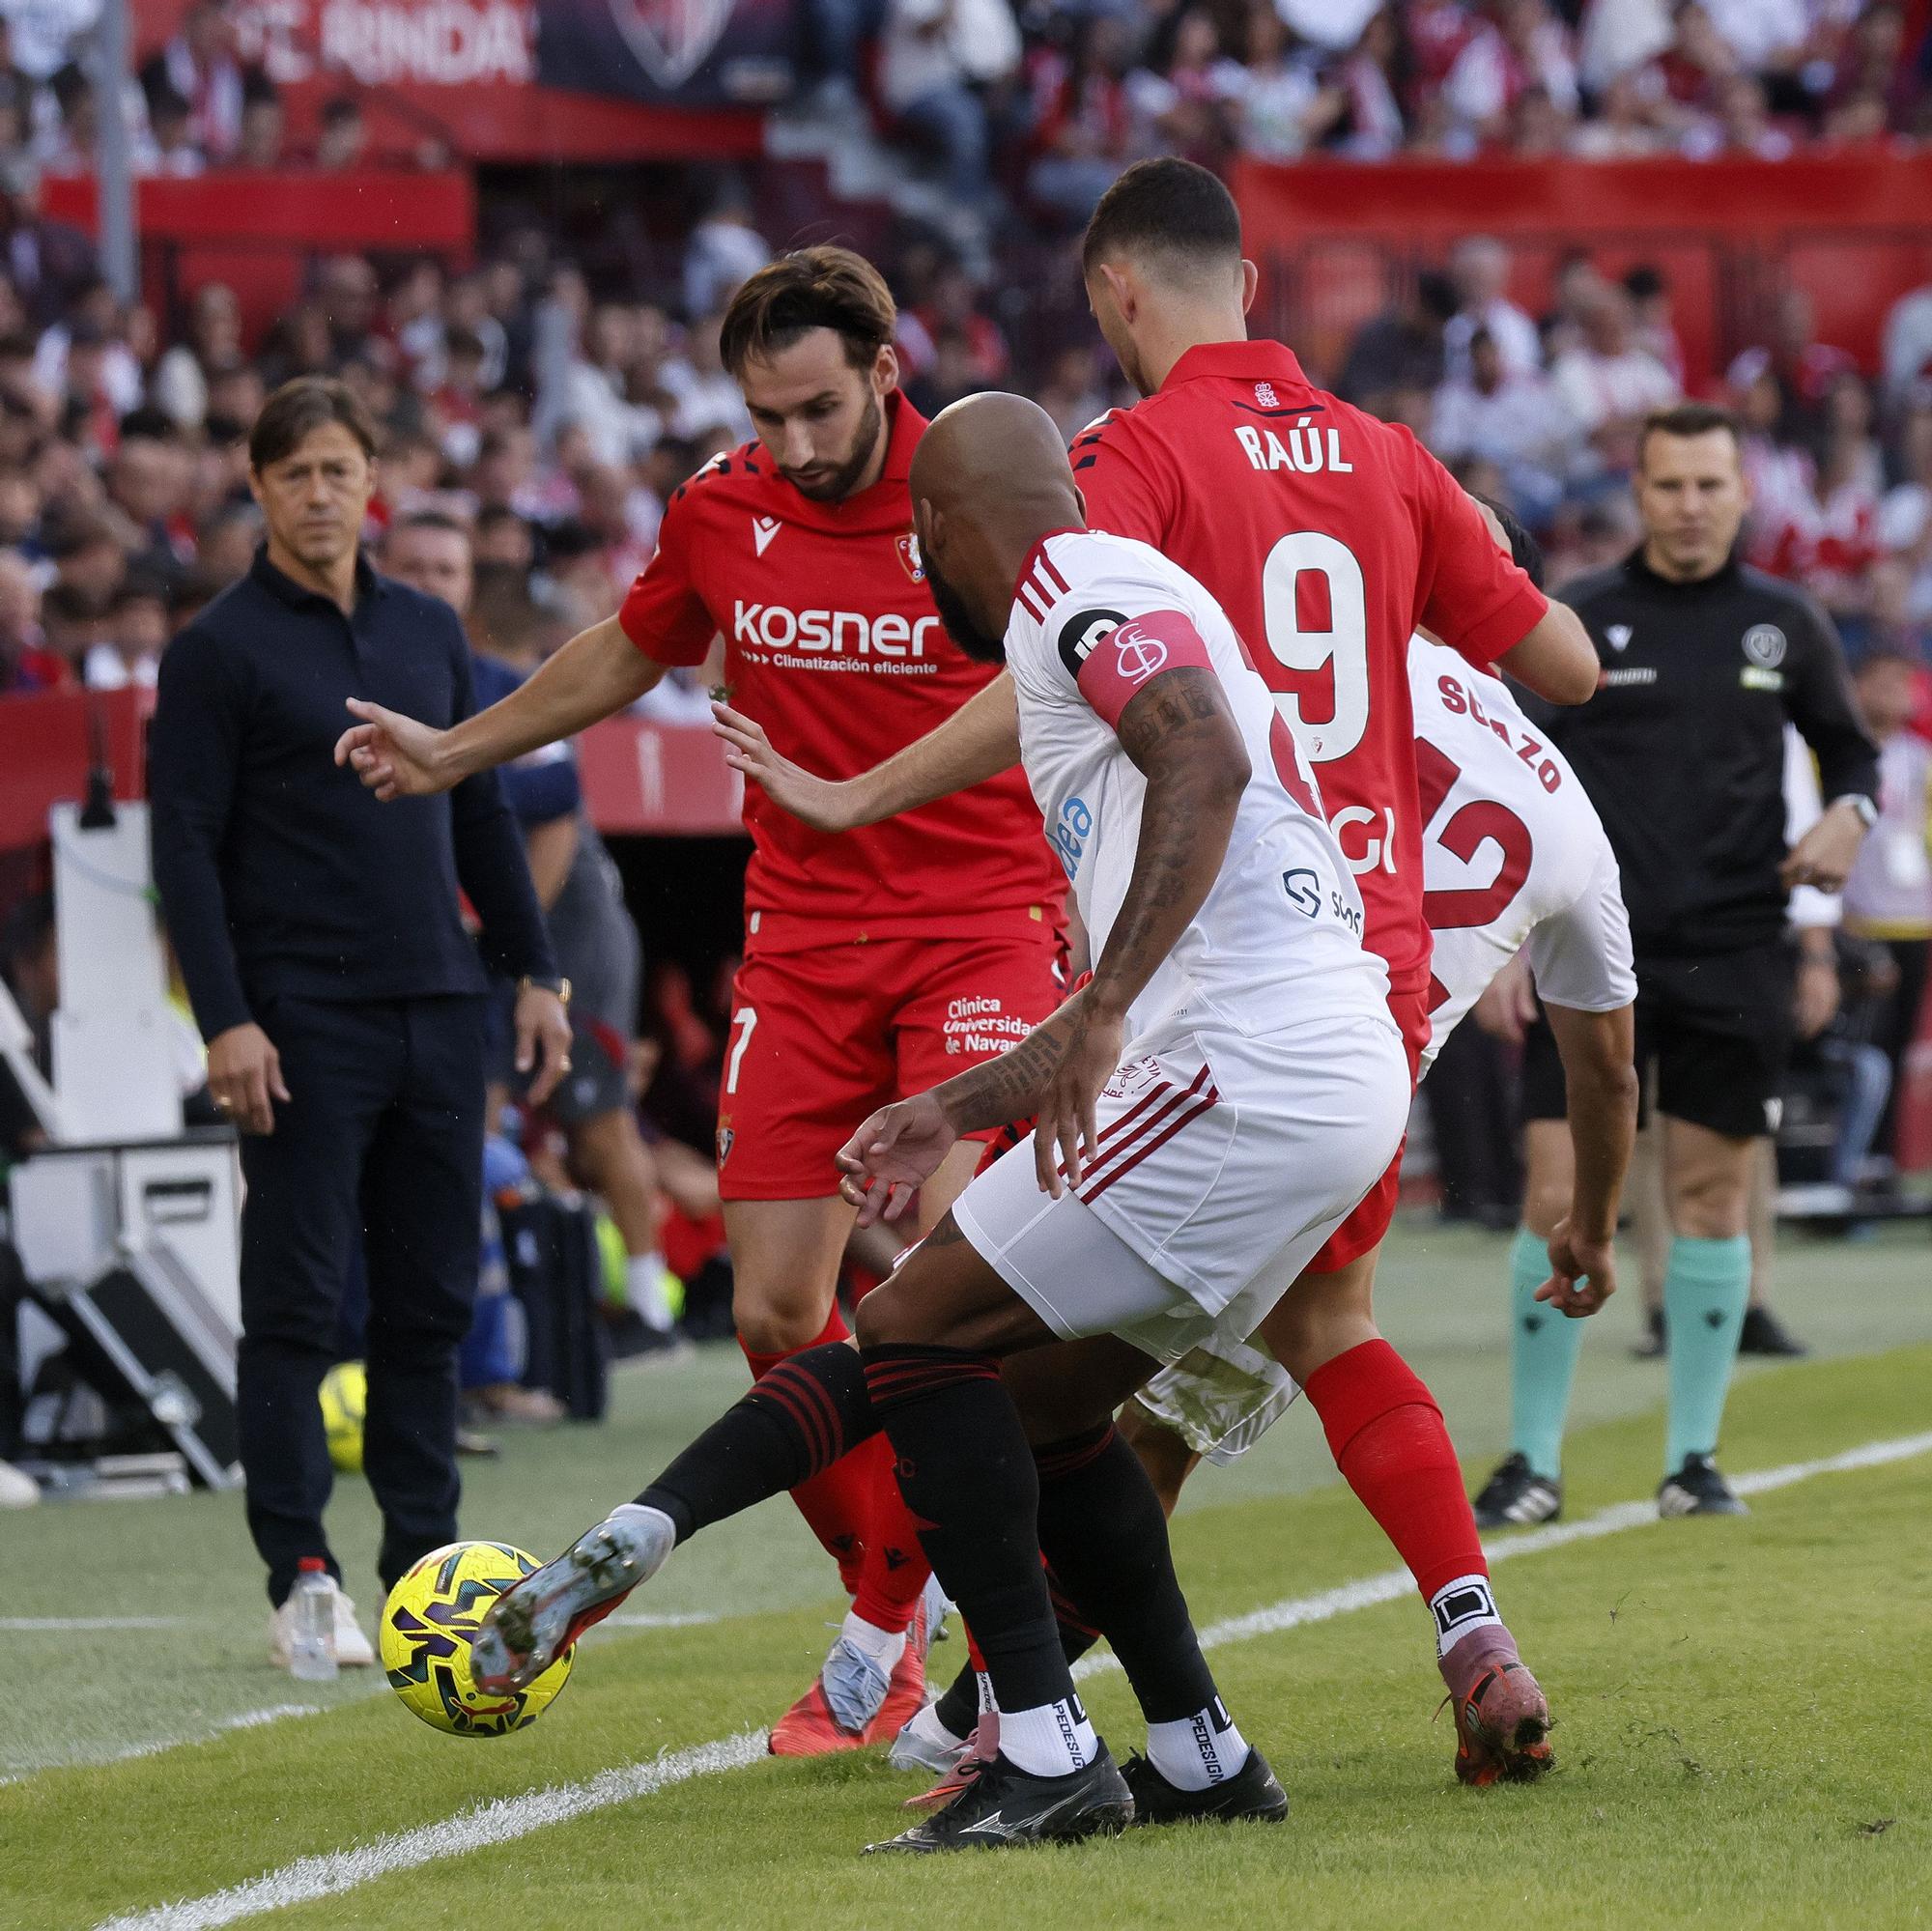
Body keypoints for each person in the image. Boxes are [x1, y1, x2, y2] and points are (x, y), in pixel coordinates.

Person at [720, 159, 1599, 1785]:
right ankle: (1436, 1630)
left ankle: (1026, 1718)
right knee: (1310, 1320)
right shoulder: (1392, 457)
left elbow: (1079, 655)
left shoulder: (1123, 463)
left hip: (1201, 971)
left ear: (1117, 291)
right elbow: (1568, 664)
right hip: (1371, 972)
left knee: (1032, 1367)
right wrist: (1454, 536)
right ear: (1248, 284)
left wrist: (863, 787)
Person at [471, 392, 1408, 1853]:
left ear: (938, 526)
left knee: (909, 1327)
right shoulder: (1113, 590)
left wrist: (1099, 1008)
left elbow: (1201, 759)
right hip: (1315, 1066)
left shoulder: (1073, 587)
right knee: (1041, 1405)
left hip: (1249, 1060)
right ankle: (1200, 1748)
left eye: (921, 542)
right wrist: (959, 1104)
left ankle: (1038, 1747)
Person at [331, 250, 1069, 1752]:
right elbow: (633, 643)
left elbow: (1061, 670)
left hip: (979, 931)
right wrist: (457, 749)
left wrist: (889, 800)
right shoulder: (723, 504)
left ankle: (993, 1672)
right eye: (764, 413)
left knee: (937, 1292)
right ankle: (886, 1595)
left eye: (816, 408)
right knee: (772, 1307)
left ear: (884, 364)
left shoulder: (982, 489)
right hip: (800, 944)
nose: (794, 444)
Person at [149, 378, 570, 1669]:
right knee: (293, 1301)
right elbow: (187, 849)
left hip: (440, 1005)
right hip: (298, 1021)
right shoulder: (216, 650)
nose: (320, 493)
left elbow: (484, 816)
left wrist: (535, 971)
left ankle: (422, 1566)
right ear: (260, 488)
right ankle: (301, 1572)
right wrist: (226, 1018)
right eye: (294, 474)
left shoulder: (432, 631)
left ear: (372, 476)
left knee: (429, 1306)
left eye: (339, 469)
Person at [1519, 403, 1879, 1517]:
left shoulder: (1785, 621)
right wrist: (1494, 939)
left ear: (1740, 492)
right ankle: (1530, 1462)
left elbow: (1850, 746)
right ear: (1637, 493)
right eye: (1667, 485)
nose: (1687, 507)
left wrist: (1850, 814)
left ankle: (1691, 1459)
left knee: (1712, 1196)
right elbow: (1505, 766)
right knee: (1552, 1196)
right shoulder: (1576, 618)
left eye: (1707, 486)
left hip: (1734, 942)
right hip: (1585, 945)